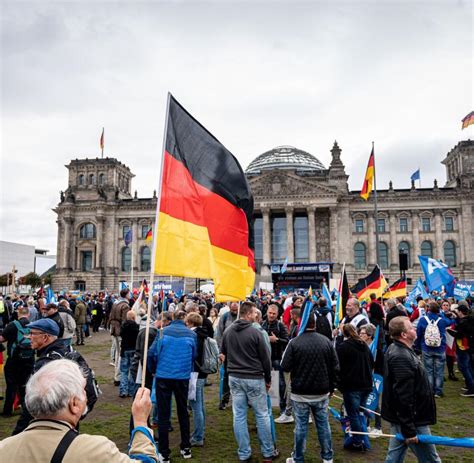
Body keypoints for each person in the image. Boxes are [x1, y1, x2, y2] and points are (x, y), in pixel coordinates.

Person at [0, 359, 159, 461]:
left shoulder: (4, 449)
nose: (86, 395)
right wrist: (140, 422)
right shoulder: (95, 451)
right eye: (83, 390)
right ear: (74, 404)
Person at [221, 301, 277, 463]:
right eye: (253, 313)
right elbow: (265, 359)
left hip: (235, 377)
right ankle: (267, 452)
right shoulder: (256, 332)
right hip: (254, 378)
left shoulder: (228, 331)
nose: (256, 315)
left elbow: (224, 354)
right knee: (262, 414)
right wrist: (268, 379)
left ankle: (244, 453)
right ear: (247, 314)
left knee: (239, 415)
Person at [281, 311, 339, 463]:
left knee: (301, 427)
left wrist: (331, 387)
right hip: (318, 391)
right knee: (323, 425)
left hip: (303, 392)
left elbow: (284, 366)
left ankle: (299, 457)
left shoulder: (294, 343)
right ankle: (327, 457)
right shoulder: (325, 341)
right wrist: (331, 387)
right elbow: (335, 367)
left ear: (302, 322)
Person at [382, 316, 440, 462]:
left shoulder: (402, 349)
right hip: (413, 419)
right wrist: (409, 430)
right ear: (404, 334)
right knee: (431, 460)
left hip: (406, 417)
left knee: (394, 457)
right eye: (411, 328)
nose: (415, 329)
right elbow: (403, 396)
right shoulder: (400, 356)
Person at [147, 310, 197, 462]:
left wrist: (153, 370)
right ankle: (186, 447)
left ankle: (164, 452)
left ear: (172, 319)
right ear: (184, 321)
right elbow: (194, 354)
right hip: (182, 377)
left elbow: (151, 353)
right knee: (183, 411)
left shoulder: (163, 332)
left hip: (164, 376)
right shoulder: (191, 334)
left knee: (163, 414)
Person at [12, 318, 70, 435]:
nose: (29, 337)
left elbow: (34, 402)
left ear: (45, 337)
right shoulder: (66, 351)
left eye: (33, 333)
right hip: (66, 423)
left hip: (49, 426)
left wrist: (17, 433)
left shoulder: (46, 364)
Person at [336, 323, 374, 451]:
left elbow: (337, 366)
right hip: (366, 384)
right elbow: (371, 363)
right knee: (360, 413)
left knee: (354, 414)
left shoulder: (344, 347)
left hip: (352, 386)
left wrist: (339, 383)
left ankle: (358, 441)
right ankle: (362, 439)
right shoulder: (364, 346)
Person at [0, 306, 35, 417]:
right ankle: (27, 409)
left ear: (18, 314)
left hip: (14, 360)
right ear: (28, 314)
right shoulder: (33, 325)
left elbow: (2, 339)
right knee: (25, 385)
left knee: (11, 385)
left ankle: (7, 411)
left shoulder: (12, 325)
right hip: (29, 359)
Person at [415, 301, 449, 398]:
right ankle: (438, 391)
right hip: (440, 348)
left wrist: (417, 346)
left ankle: (429, 390)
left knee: (428, 370)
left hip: (426, 347)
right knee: (439, 371)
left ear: (428, 309)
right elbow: (450, 322)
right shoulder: (442, 320)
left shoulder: (422, 320)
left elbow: (419, 333)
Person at [261, 303, 289, 419]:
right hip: (264, 359)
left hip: (277, 358)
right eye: (270, 313)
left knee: (280, 384)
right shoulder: (262, 324)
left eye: (274, 314)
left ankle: (283, 409)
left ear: (277, 314)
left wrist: (276, 339)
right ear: (267, 312)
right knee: (264, 383)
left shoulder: (280, 326)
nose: (271, 315)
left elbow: (287, 341)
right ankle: (265, 407)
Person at [185, 312, 209, 447]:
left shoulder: (193, 336)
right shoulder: (202, 334)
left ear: (190, 323)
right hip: (202, 373)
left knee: (195, 406)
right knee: (200, 405)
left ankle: (198, 436)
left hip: (195, 373)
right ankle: (200, 432)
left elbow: (192, 355)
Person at [358, 323, 384, 437]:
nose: (360, 335)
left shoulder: (377, 350)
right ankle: (367, 424)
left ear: (369, 335)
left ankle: (378, 427)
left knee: (374, 402)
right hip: (363, 378)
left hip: (375, 379)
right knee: (364, 402)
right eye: (360, 333)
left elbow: (381, 366)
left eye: (362, 333)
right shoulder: (361, 347)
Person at [215, 301, 239, 410]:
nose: (235, 307)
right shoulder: (225, 317)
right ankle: (225, 400)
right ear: (229, 306)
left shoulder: (242, 316)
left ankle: (241, 400)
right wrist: (221, 351)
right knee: (226, 377)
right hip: (227, 352)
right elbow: (219, 334)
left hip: (241, 352)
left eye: (237, 305)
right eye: (233, 306)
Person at [448, 301, 474, 397]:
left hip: (463, 347)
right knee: (469, 366)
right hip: (469, 346)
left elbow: (459, 334)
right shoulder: (470, 319)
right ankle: (470, 385)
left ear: (460, 312)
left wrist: (450, 331)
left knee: (464, 367)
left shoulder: (463, 323)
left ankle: (471, 388)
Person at [110, 288, 132, 386]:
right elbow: (125, 322)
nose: (130, 295)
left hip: (114, 330)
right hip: (120, 332)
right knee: (120, 355)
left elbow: (110, 317)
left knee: (117, 353)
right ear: (126, 294)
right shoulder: (125, 305)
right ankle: (118, 377)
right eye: (129, 293)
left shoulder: (115, 303)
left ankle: (117, 376)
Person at [119, 310, 139, 398]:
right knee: (132, 371)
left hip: (125, 350)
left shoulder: (123, 326)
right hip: (133, 350)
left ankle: (123, 390)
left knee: (124, 371)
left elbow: (121, 335)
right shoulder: (137, 327)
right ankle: (131, 391)